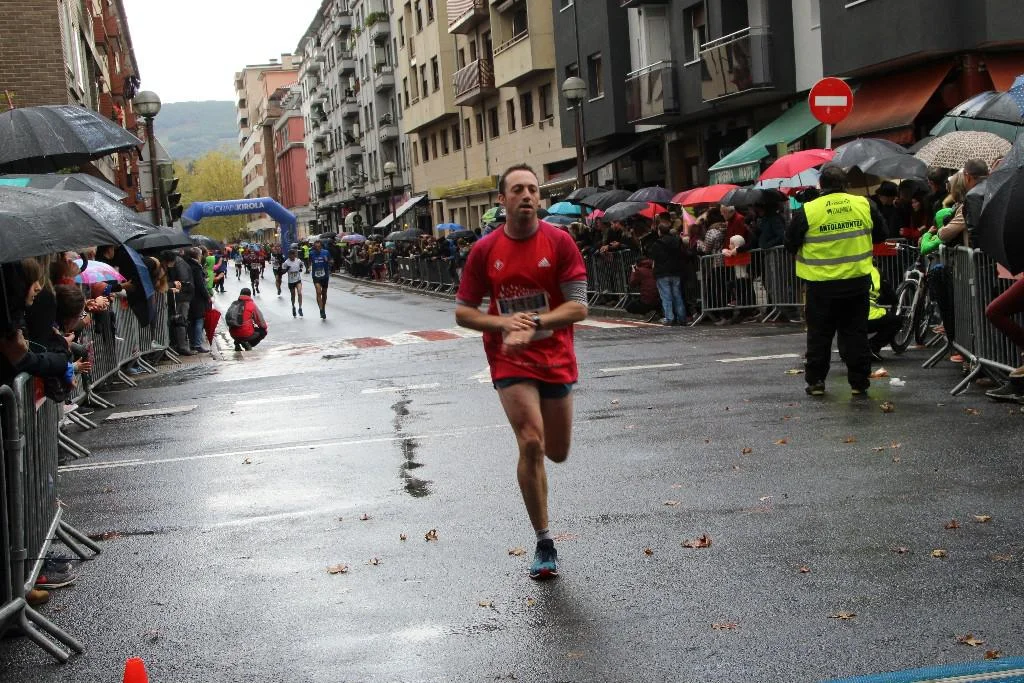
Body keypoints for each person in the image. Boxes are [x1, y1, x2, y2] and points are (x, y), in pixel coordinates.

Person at [454, 164, 588, 581]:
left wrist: (534, 322)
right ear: (503, 199)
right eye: (518, 189)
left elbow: (579, 306)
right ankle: (544, 541)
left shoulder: (560, 242)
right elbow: (463, 312)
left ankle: (541, 472)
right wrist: (503, 324)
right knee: (530, 441)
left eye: (532, 188)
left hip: (555, 355)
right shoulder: (485, 250)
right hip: (509, 357)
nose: (527, 195)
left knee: (557, 451)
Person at [785, 164, 888, 396]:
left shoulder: (809, 210)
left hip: (820, 285)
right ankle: (859, 382)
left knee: (819, 335)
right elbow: (881, 234)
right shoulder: (864, 204)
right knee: (855, 334)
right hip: (856, 282)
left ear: (821, 185)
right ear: (845, 185)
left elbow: (790, 242)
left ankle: (816, 381)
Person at [645, 219, 686, 326]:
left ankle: (669, 318)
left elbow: (652, 256)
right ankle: (682, 317)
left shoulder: (657, 244)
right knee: (677, 295)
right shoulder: (677, 241)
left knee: (666, 296)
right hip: (675, 271)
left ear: (660, 231)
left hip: (662, 272)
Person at [867, 265, 901, 361]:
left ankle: (846, 351)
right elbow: (892, 298)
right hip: (870, 317)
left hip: (848, 318)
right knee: (896, 321)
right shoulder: (875, 271)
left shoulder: (844, 270)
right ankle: (872, 347)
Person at [186, 248, 212, 353]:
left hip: (191, 296)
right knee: (199, 320)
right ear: (198, 255)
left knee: (192, 320)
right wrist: (207, 296)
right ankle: (197, 344)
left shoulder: (188, 264)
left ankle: (193, 343)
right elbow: (200, 284)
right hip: (197, 297)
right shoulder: (196, 267)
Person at [309, 239, 333, 319]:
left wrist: (328, 261)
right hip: (316, 276)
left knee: (324, 293)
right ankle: (321, 309)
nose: (318, 248)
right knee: (318, 292)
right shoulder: (311, 253)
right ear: (314, 247)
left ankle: (323, 308)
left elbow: (331, 261)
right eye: (316, 247)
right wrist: (309, 267)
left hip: (325, 276)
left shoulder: (326, 252)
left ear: (321, 246)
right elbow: (309, 262)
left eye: (319, 247)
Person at [282, 249, 305, 317]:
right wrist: (286, 269)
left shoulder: (298, 260)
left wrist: (300, 268)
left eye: (293, 255)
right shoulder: (286, 263)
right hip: (291, 281)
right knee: (293, 295)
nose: (292, 256)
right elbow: (282, 272)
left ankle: (300, 308)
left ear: (294, 255)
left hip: (298, 280)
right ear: (289, 255)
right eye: (291, 255)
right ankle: (293, 306)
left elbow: (302, 264)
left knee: (299, 293)